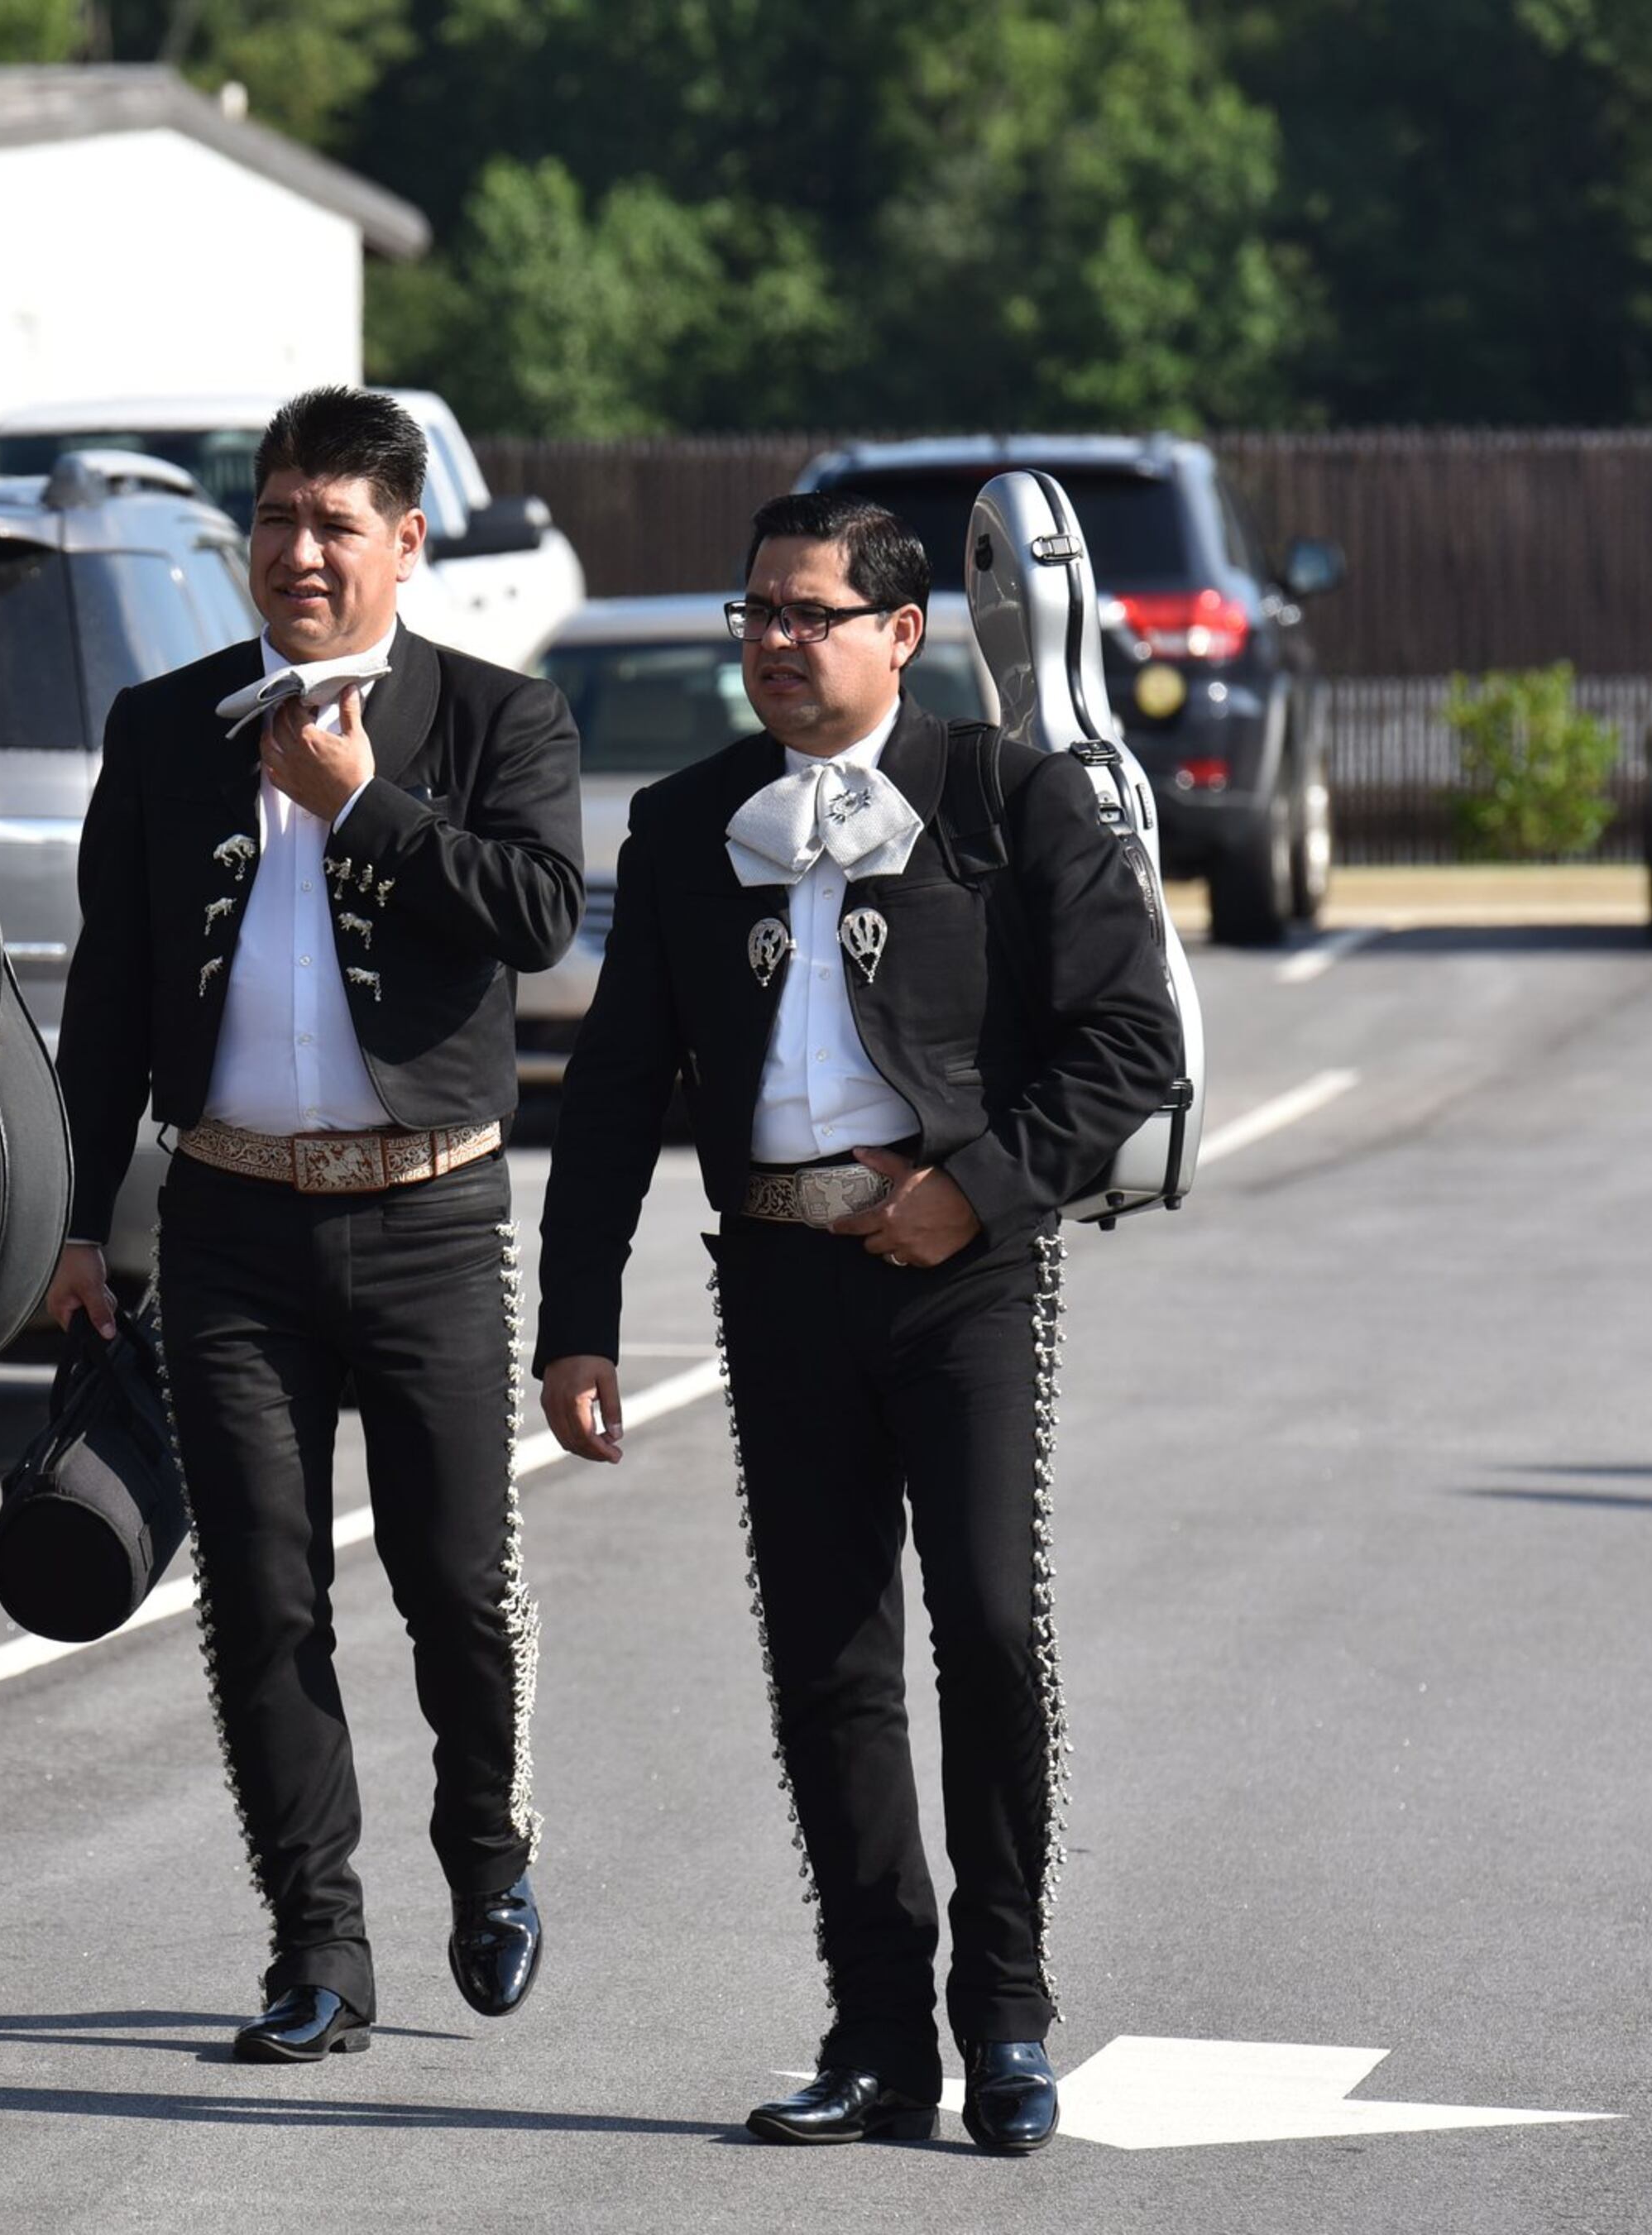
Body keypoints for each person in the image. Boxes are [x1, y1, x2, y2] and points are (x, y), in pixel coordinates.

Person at [533, 491, 1182, 2151]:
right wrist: (578, 1317)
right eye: (754, 613)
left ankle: (1010, 2015)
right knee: (829, 1660)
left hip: (959, 1274)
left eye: (807, 613)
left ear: (902, 631)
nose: (771, 642)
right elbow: (613, 1091)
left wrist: (981, 1188)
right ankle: (881, 2029)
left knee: (987, 1630)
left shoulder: (1001, 796)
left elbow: (1133, 1042)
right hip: (776, 1278)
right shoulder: (685, 824)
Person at [48, 386, 585, 2061]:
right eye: (277, 517)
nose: (297, 550)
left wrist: (363, 805)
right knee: (262, 1596)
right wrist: (80, 1222)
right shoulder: (162, 727)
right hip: (227, 1225)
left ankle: (486, 1852)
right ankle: (318, 1945)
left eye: (334, 522)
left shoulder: (501, 721)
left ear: (405, 545)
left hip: (428, 1218)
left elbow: (538, 913)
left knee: (455, 1587)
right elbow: (114, 997)